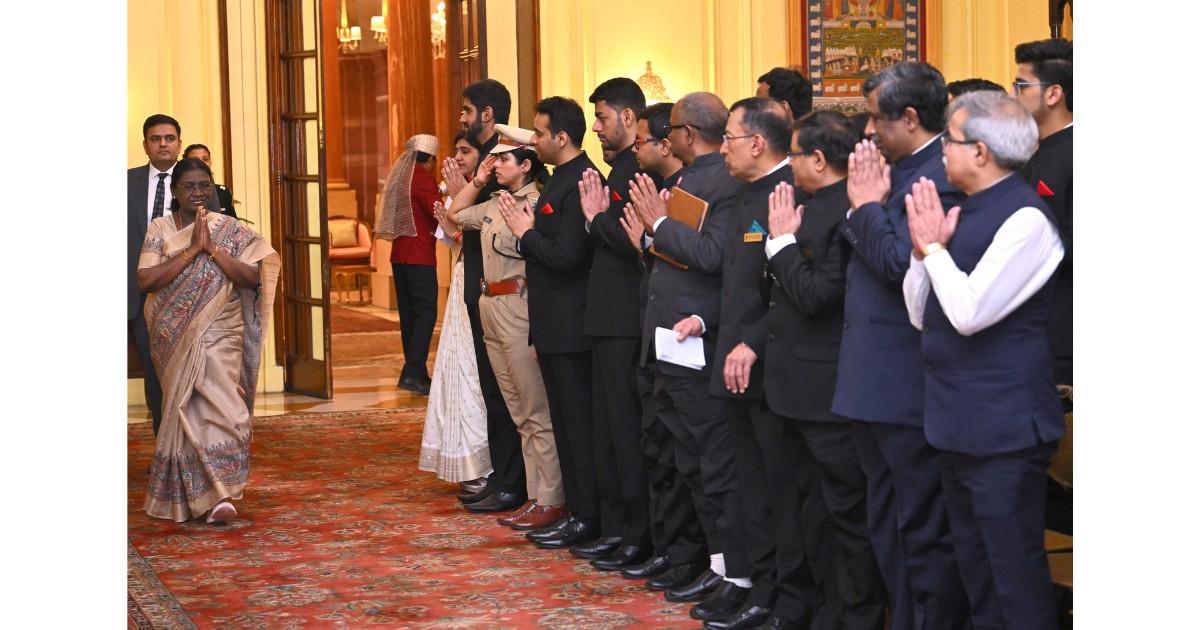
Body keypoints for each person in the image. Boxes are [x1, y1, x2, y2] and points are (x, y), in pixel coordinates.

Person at [901, 90, 1064, 630]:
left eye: (950, 139)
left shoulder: (1027, 220)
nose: (942, 150)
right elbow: (923, 315)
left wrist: (935, 251)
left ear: (981, 152)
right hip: (955, 421)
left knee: (1012, 574)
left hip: (1006, 431)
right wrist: (923, 254)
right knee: (975, 572)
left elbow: (970, 313)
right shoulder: (963, 210)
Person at [839, 61, 970, 630]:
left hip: (906, 385)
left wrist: (866, 206)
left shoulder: (937, 176)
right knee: (888, 523)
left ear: (910, 117)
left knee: (920, 530)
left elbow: (901, 264)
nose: (867, 132)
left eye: (875, 119)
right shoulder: (893, 168)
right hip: (873, 382)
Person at [762, 110, 887, 630]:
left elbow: (817, 296)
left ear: (818, 158)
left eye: (792, 154)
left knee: (847, 518)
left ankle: (856, 617)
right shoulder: (807, 204)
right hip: (794, 387)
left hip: (828, 390)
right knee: (810, 513)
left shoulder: (847, 213)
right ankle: (823, 611)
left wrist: (781, 246)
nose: (787, 164)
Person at [625, 92, 750, 608]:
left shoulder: (720, 183)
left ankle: (731, 570)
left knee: (714, 466)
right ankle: (712, 564)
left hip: (700, 341)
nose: (666, 137)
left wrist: (658, 227)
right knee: (689, 463)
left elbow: (712, 256)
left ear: (689, 132)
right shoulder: (686, 181)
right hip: (669, 343)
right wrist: (652, 236)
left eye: (670, 128)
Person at [137, 157, 280, 523]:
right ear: (175, 191)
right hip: (176, 338)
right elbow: (147, 280)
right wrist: (191, 251)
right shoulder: (160, 229)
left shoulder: (229, 229)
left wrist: (213, 249)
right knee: (184, 411)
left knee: (224, 410)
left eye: (205, 185)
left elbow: (252, 278)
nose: (199, 192)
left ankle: (222, 492)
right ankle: (206, 496)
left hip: (222, 335)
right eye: (190, 186)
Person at [447, 127, 565, 530]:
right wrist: (477, 181)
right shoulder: (497, 202)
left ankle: (550, 497)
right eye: (493, 160)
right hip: (489, 305)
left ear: (526, 165)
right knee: (518, 410)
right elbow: (455, 215)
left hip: (519, 307)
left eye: (503, 160)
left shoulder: (535, 203)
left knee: (535, 410)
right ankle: (536, 496)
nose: (495, 166)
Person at [497, 96, 599, 549]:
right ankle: (575, 512)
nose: (532, 140)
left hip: (574, 325)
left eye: (538, 133)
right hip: (552, 323)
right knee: (564, 422)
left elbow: (566, 256)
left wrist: (525, 235)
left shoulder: (582, 180)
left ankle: (586, 516)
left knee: (578, 427)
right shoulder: (560, 179)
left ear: (561, 137)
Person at [618, 101, 698, 585]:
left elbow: (701, 262)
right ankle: (668, 548)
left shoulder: (689, 192)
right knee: (658, 449)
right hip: (654, 335)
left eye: (643, 139)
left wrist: (655, 236)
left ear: (669, 143)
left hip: (685, 337)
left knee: (681, 454)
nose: (636, 147)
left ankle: (689, 555)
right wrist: (647, 243)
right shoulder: (664, 190)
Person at [574, 77, 653, 569]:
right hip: (606, 317)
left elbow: (631, 240)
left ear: (628, 117)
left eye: (602, 117)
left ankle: (636, 534)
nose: (596, 128)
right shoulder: (616, 169)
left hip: (627, 318)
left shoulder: (634, 171)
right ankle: (618, 526)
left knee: (626, 433)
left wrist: (593, 220)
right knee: (607, 431)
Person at [454, 79, 529, 513]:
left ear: (486, 114)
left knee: (513, 398)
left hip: (510, 295)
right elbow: (455, 219)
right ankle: (503, 476)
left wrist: (481, 176)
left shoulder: (509, 158)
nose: (461, 118)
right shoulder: (481, 165)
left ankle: (516, 484)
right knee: (492, 391)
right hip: (480, 291)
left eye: (467, 110)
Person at [418, 131, 491, 491]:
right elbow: (457, 246)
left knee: (474, 374)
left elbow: (488, 245)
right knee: (457, 368)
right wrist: (452, 228)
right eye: (456, 151)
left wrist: (455, 225)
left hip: (484, 286)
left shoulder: (490, 193)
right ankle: (464, 460)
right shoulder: (460, 193)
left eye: (465, 151)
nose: (458, 157)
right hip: (463, 281)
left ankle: (483, 464)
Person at [1014, 38, 1072, 406]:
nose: (1012, 93)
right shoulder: (1030, 151)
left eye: (1021, 86)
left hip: (1064, 329)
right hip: (1032, 327)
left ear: (1053, 94)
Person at [129, 113, 182, 436]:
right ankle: (165, 447)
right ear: (145, 145)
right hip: (139, 294)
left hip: (186, 293)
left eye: (169, 138)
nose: (163, 144)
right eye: (155, 139)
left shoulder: (198, 182)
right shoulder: (126, 182)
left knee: (187, 373)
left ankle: (190, 450)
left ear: (179, 142)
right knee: (154, 373)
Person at [378, 134, 442, 395]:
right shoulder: (424, 178)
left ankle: (414, 370)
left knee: (410, 316)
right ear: (430, 158)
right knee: (426, 314)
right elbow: (436, 212)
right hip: (420, 254)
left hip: (400, 254)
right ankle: (413, 372)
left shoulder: (401, 177)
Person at [182, 143, 237, 217]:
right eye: (196, 160)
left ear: (210, 161)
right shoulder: (179, 191)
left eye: (205, 159)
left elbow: (233, 224)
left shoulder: (223, 193)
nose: (201, 163)